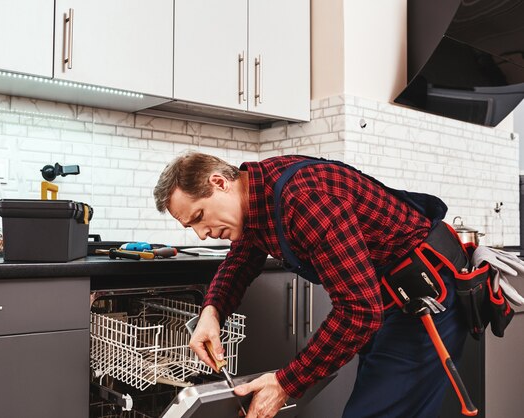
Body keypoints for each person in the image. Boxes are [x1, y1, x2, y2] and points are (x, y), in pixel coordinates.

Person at [153, 152, 469, 418]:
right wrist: (212, 312)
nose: (201, 234)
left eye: (199, 217)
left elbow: (360, 312)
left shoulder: (303, 200)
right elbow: (240, 262)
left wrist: (285, 383)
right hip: (386, 299)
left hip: (425, 299)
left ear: (219, 183)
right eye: (190, 226)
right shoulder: (256, 201)